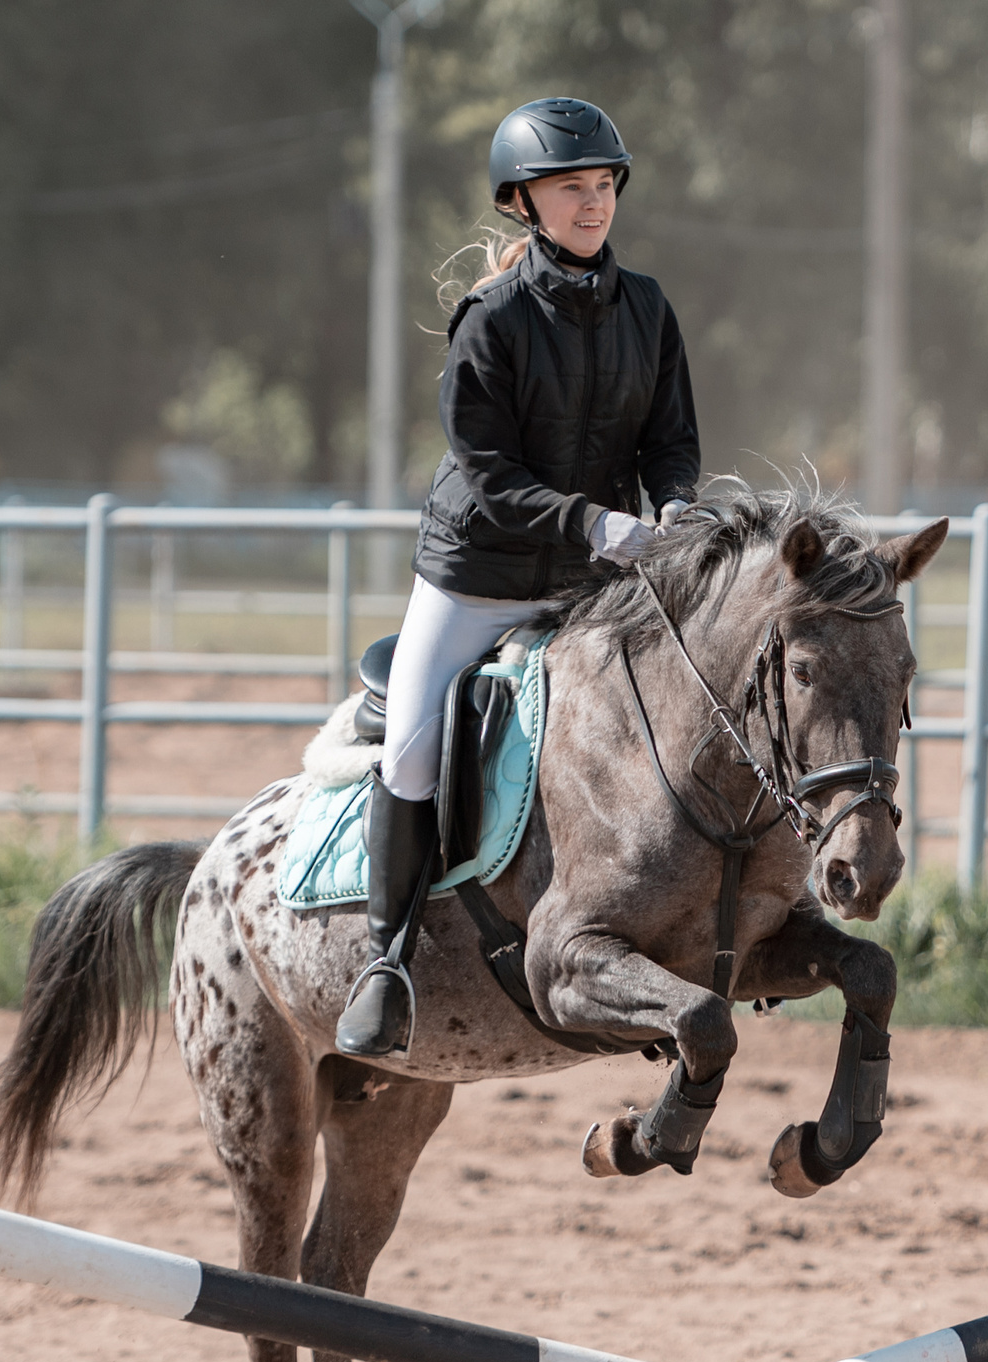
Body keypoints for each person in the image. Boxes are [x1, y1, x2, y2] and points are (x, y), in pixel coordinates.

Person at [336, 95, 701, 1058]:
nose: (592, 204)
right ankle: (385, 959)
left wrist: (670, 507)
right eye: (570, 189)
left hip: (594, 579)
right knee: (411, 752)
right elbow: (489, 476)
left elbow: (670, 441)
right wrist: (595, 521)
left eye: (603, 185)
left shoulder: (649, 307)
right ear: (523, 204)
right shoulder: (489, 320)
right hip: (478, 575)